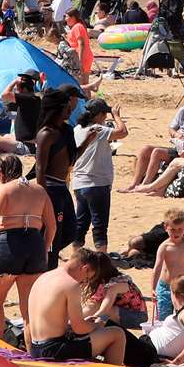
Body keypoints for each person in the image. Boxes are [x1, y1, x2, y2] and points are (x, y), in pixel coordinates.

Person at [0, 154, 55, 330]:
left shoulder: (5, 190)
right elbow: (52, 226)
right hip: (34, 245)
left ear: (1, 172)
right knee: (28, 311)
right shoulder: (39, 190)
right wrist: (45, 249)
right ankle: (31, 353)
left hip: (9, 245)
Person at [26, 248, 125, 364]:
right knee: (117, 334)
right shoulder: (70, 285)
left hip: (35, 349)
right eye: (86, 279)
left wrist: (77, 325)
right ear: (84, 268)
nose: (83, 283)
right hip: (55, 351)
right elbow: (79, 328)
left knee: (89, 347)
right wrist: (97, 324)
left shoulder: (43, 277)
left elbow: (51, 322)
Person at [71, 97, 126, 252]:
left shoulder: (78, 129)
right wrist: (117, 116)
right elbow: (123, 132)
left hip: (80, 183)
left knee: (81, 224)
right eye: (105, 114)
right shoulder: (98, 130)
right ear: (100, 115)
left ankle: (76, 255)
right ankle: (101, 258)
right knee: (100, 225)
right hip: (97, 184)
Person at [35, 87, 80, 263]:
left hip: (62, 187)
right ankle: (47, 262)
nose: (70, 110)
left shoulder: (67, 131)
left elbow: (72, 159)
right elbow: (40, 168)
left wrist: (87, 142)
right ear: (57, 109)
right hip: (51, 189)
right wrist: (43, 195)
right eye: (66, 107)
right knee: (53, 233)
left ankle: (46, 254)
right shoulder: (46, 134)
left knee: (70, 231)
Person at [151, 209, 184, 321]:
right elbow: (157, 268)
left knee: (183, 315)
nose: (176, 233)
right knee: (163, 316)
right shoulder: (165, 247)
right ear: (166, 227)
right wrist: (153, 288)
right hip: (165, 286)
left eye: (180, 229)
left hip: (182, 286)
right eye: (172, 229)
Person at [146, 275, 184, 365]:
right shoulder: (183, 310)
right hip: (151, 345)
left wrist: (176, 362)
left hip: (152, 349)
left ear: (175, 294)